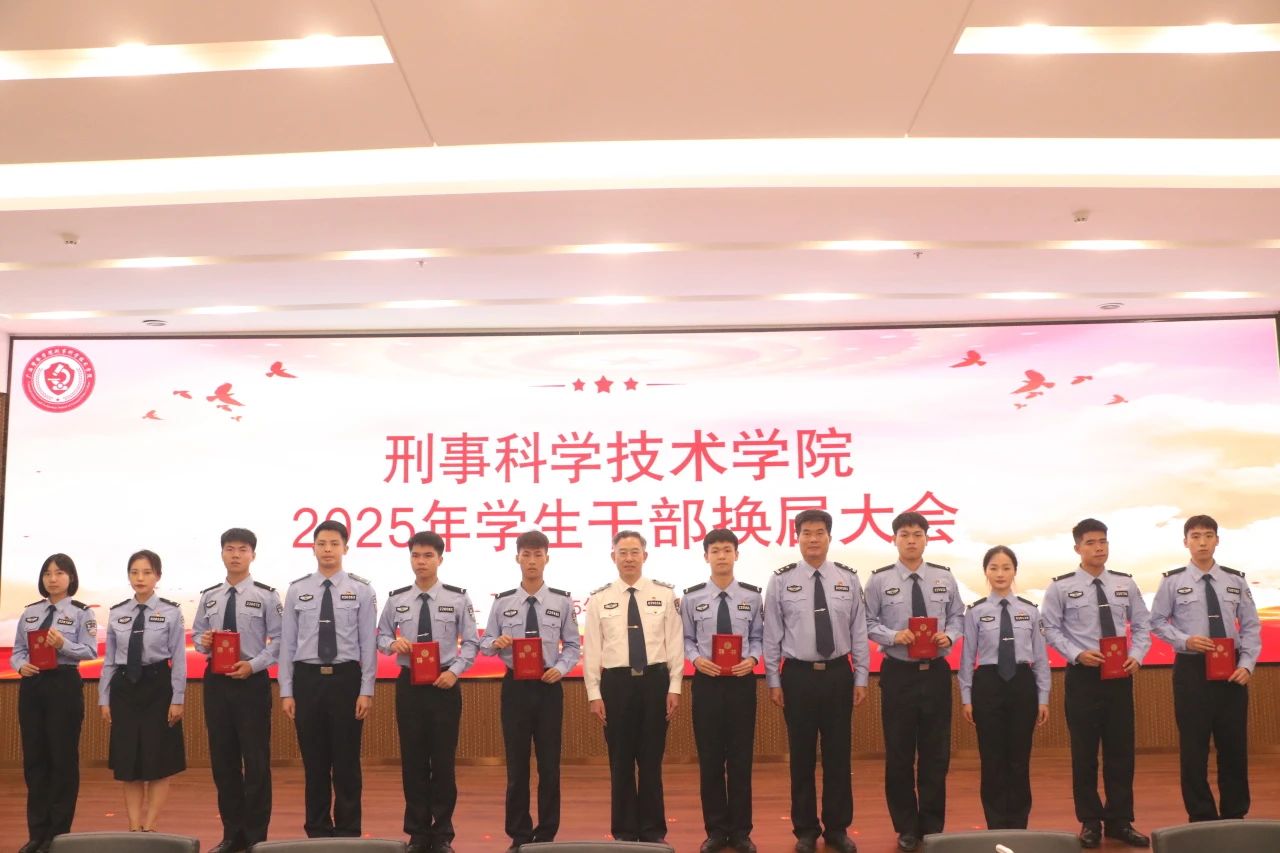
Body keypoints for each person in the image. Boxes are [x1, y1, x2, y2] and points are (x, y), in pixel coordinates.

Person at [763, 509, 869, 853]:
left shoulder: (848, 578)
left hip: (838, 674)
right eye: (806, 533)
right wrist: (774, 679)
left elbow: (859, 630)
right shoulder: (781, 580)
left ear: (829, 537)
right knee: (802, 757)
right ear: (797, 538)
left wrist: (861, 677)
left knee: (838, 755)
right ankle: (805, 830)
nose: (813, 539)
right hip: (798, 677)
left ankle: (837, 829)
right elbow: (771, 635)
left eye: (819, 532)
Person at [1041, 518, 1151, 849]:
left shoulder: (1125, 583)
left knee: (1121, 752)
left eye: (1103, 541)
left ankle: (1120, 821)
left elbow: (1142, 625)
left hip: (1119, 677)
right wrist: (1076, 654)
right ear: (1078, 548)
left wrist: (1137, 655)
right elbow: (1049, 628)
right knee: (1085, 753)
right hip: (1083, 677)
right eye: (1090, 542)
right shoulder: (1060, 587)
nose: (1098, 548)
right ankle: (1090, 821)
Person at [863, 511, 964, 851]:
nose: (911, 540)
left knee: (936, 754)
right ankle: (906, 827)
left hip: (935, 673)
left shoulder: (943, 577)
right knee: (899, 754)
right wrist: (893, 636)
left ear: (926, 538)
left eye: (917, 534)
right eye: (904, 534)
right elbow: (866, 622)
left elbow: (958, 617)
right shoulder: (879, 580)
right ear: (894, 539)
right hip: (899, 675)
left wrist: (950, 636)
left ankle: (932, 826)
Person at [1150, 515, 1261, 822]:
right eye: (1196, 536)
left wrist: (1247, 664)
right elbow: (1156, 622)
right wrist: (1185, 640)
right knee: (1194, 749)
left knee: (1233, 747)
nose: (1202, 542)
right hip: (1192, 669)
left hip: (1232, 670)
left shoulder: (1235, 580)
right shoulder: (1172, 581)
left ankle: (1235, 815)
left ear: (1217, 540)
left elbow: (1251, 626)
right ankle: (1201, 817)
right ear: (1185, 542)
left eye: (1208, 535)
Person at [377, 530, 479, 853]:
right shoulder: (397, 599)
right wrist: (392, 644)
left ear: (440, 559)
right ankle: (418, 833)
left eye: (428, 556)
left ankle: (443, 833)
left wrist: (454, 672)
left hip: (444, 684)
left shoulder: (457, 598)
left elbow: (472, 643)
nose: (421, 562)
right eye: (415, 556)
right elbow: (380, 636)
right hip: (409, 685)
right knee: (413, 761)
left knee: (443, 762)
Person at [479, 529, 581, 852]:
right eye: (526, 555)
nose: (532, 561)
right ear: (517, 558)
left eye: (538, 555)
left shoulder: (562, 601)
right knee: (517, 766)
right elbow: (484, 644)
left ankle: (547, 833)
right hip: (515, 689)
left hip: (548, 688)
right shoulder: (503, 601)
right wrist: (496, 643)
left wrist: (560, 668)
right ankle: (519, 834)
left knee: (549, 766)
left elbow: (573, 646)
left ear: (547, 558)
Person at [583, 529, 684, 844]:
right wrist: (594, 694)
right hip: (617, 685)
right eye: (622, 552)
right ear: (613, 556)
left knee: (651, 762)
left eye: (634, 552)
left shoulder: (664, 594)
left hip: (655, 682)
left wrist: (675, 686)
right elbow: (592, 651)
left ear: (645, 556)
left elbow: (675, 644)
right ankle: (625, 832)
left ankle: (653, 832)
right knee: (621, 762)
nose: (628, 558)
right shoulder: (599, 599)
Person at [279, 520, 377, 838]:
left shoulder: (361, 590)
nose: (328, 549)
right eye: (321, 543)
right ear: (313, 548)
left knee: (347, 762)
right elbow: (287, 644)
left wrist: (366, 689)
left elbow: (368, 644)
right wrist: (286, 690)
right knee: (315, 763)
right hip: (307, 681)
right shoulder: (297, 590)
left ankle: (348, 831)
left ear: (345, 548)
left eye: (334, 544)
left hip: (346, 679)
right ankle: (317, 831)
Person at [191, 528, 282, 853]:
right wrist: (203, 642)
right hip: (216, 683)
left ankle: (256, 836)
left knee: (255, 761)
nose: (235, 555)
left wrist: (254, 665)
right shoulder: (210, 596)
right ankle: (232, 834)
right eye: (230, 549)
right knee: (223, 760)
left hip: (251, 682)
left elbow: (280, 640)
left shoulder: (267, 595)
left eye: (242, 549)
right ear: (222, 554)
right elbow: (198, 634)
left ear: (253, 555)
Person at [681, 528, 764, 853]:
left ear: (736, 555)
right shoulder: (692, 598)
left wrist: (752, 659)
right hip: (707, 684)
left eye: (727, 550)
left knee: (741, 760)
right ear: (706, 557)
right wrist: (696, 660)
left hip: (742, 683)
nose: (721, 556)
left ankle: (741, 832)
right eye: (715, 551)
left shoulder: (752, 597)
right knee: (711, 760)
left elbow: (758, 636)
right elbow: (686, 639)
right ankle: (716, 830)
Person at [958, 545, 1050, 830]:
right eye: (994, 568)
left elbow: (1040, 658)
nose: (1000, 573)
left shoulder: (1030, 611)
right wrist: (966, 697)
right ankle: (996, 824)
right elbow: (967, 658)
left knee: (1019, 758)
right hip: (988, 684)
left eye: (1006, 567)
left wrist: (1043, 697)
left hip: (1022, 683)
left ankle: (1019, 824)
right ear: (985, 572)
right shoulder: (975, 612)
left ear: (1014, 572)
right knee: (992, 759)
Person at [12, 554, 98, 853]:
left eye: (59, 573)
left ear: (71, 578)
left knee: (62, 759)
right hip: (33, 684)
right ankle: (37, 833)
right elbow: (18, 650)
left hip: (63, 684)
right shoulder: (30, 612)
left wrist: (63, 644)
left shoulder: (82, 613)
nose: (52, 578)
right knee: (35, 760)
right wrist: (20, 665)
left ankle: (58, 835)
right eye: (47, 573)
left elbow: (90, 651)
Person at [99, 549, 187, 833]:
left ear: (158, 576)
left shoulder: (171, 612)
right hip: (124, 690)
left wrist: (178, 698)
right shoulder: (118, 613)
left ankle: (150, 826)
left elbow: (179, 659)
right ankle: (134, 827)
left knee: (159, 760)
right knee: (129, 763)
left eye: (147, 572)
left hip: (158, 687)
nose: (140, 578)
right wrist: (104, 697)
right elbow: (109, 660)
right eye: (135, 572)